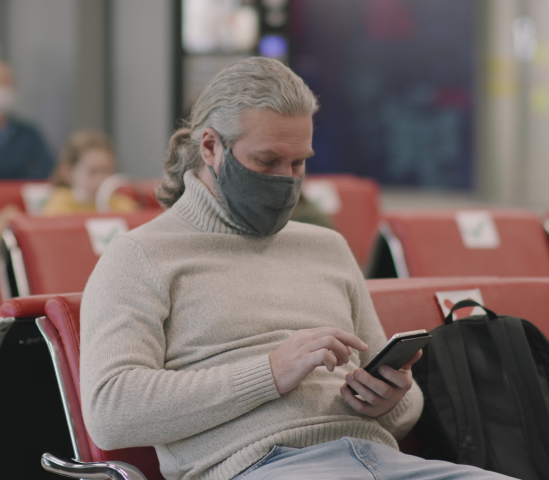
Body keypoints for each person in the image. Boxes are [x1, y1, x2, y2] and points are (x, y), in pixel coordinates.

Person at [80, 58, 511, 480]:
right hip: (256, 464)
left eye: (299, 163)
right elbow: (111, 412)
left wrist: (392, 399)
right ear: (210, 147)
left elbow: (400, 409)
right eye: (267, 162)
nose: (286, 179)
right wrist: (269, 372)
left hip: (378, 459)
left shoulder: (326, 247)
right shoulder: (140, 256)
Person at [41, 130, 138, 216]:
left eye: (106, 170)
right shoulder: (58, 208)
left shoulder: (124, 206)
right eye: (93, 172)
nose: (100, 180)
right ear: (68, 172)